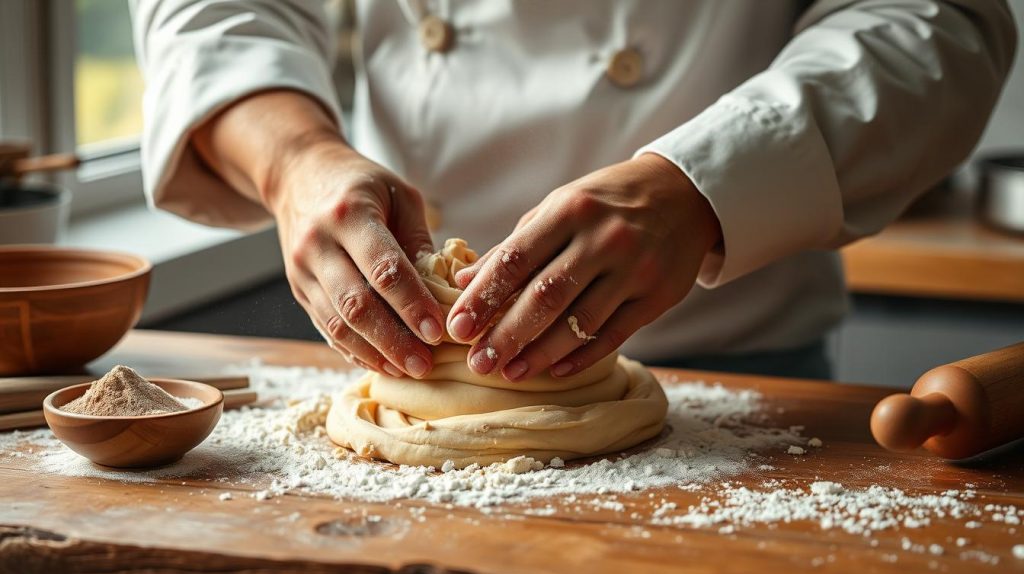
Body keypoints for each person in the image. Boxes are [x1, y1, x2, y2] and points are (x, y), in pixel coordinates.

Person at [131, 0, 1015, 382]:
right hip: (402, 350)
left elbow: (934, 18)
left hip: (735, 361)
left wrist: (706, 183)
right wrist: (293, 159)